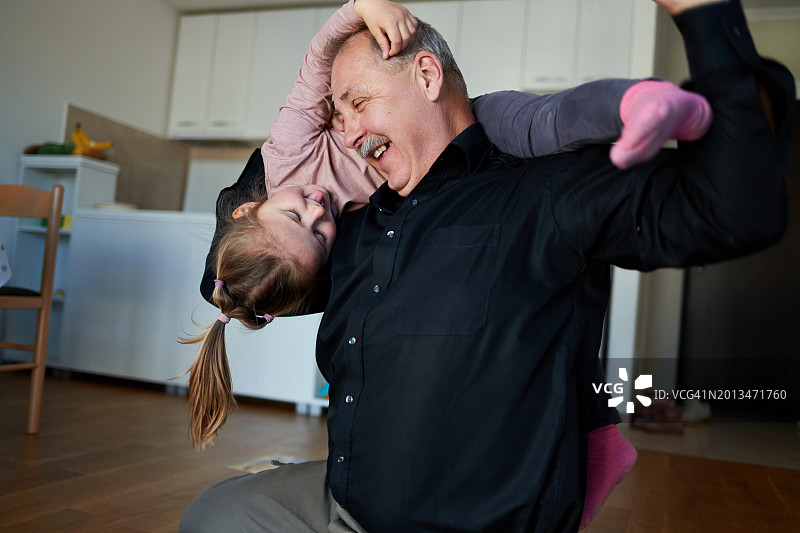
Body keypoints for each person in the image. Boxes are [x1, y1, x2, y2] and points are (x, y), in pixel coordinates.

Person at [180, 0, 794, 530]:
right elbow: (253, 261)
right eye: (338, 115)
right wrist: (237, 257)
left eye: (359, 102)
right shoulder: (351, 229)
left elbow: (735, 210)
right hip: (348, 506)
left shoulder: (543, 189)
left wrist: (705, 18)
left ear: (426, 74)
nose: (347, 131)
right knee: (215, 514)